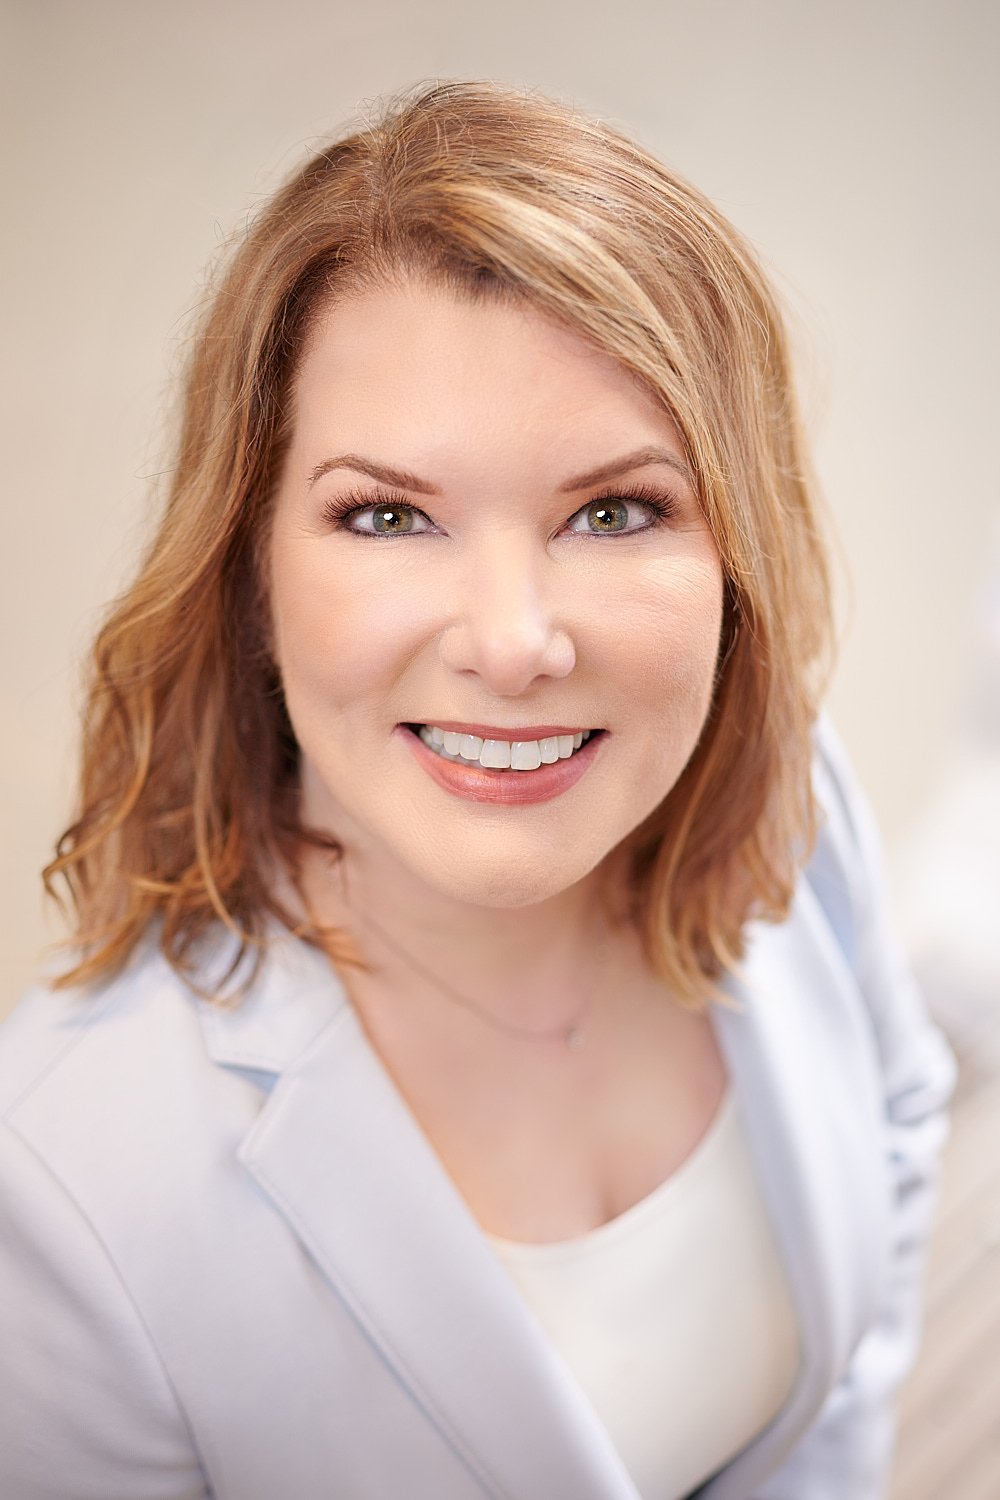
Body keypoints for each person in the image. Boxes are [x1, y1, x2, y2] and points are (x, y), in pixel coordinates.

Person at [0, 80, 955, 1500]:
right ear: (250, 572)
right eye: (388, 515)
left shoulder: (797, 813)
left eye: (615, 510)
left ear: (733, 559)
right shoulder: (63, 1179)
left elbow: (885, 1204)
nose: (513, 643)